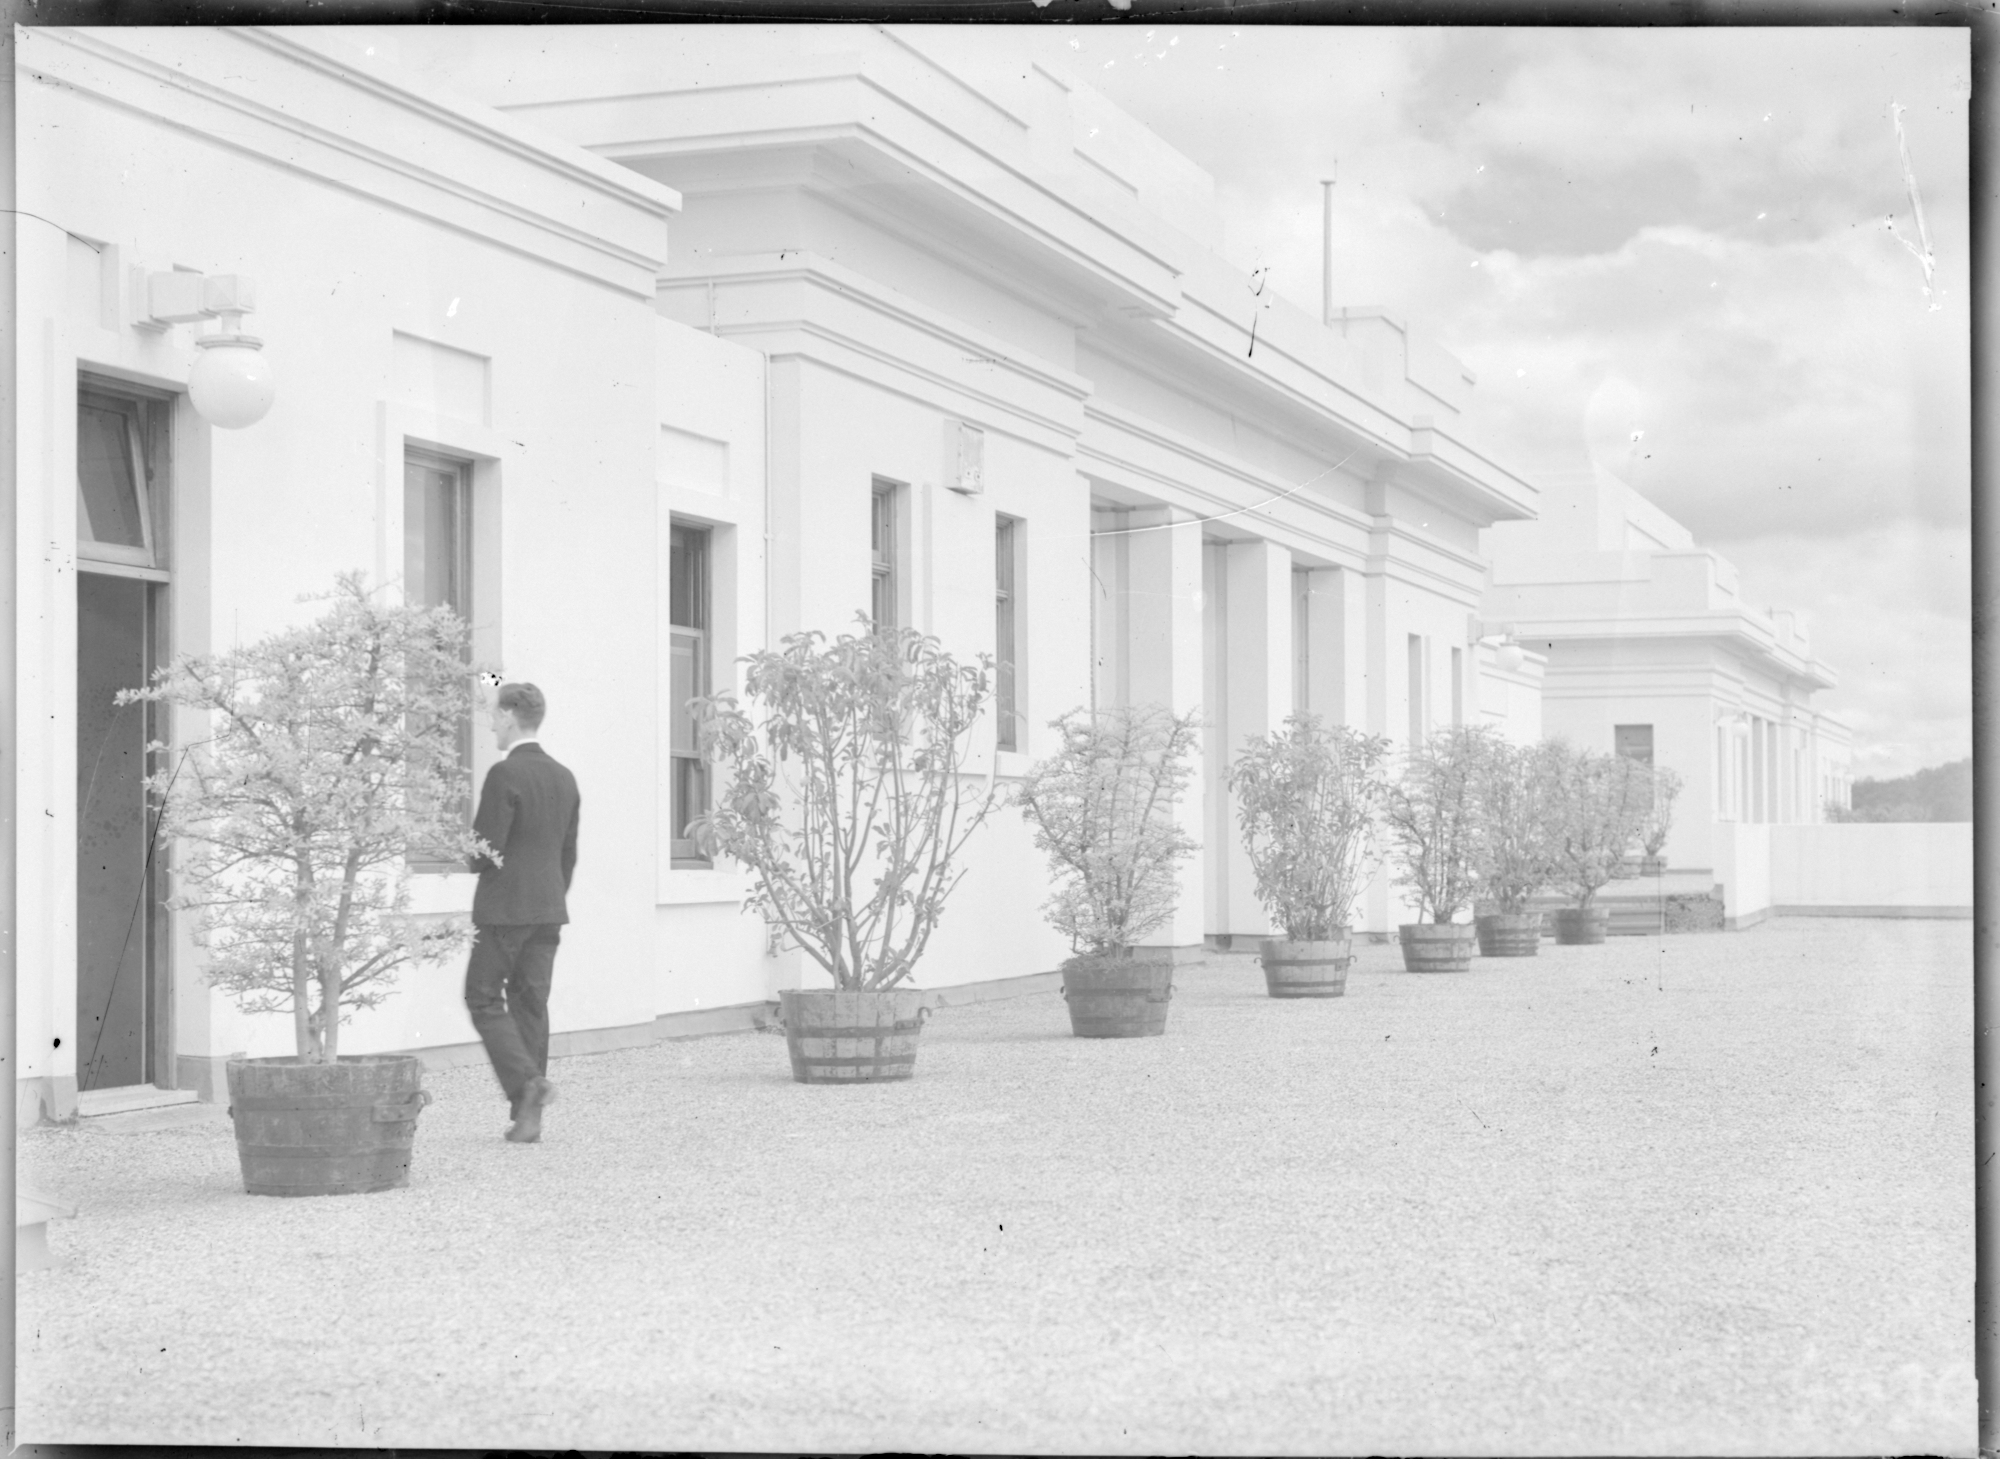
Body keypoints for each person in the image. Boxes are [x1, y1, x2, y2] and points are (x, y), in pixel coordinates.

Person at [464, 682, 580, 1144]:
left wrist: (467, 851)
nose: (492, 723)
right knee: (531, 1004)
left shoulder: (504, 774)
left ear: (510, 716)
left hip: (503, 910)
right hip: (549, 909)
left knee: (482, 998)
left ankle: (528, 1086)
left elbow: (482, 854)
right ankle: (527, 1118)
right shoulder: (565, 777)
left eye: (495, 715)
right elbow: (567, 855)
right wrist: (547, 898)